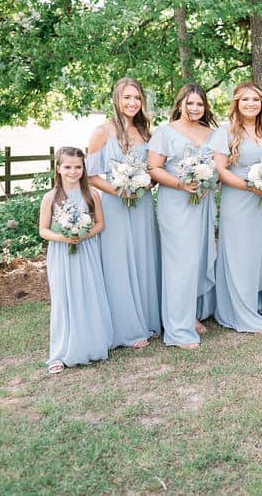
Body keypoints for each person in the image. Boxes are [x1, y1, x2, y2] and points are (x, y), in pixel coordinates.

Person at [86, 78, 161, 349]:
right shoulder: (101, 132)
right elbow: (91, 175)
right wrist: (121, 191)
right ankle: (127, 329)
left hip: (142, 204)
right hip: (115, 204)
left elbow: (153, 170)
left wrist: (144, 185)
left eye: (137, 98)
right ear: (116, 100)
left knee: (143, 257)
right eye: (127, 97)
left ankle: (147, 320)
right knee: (119, 262)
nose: (132, 103)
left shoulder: (146, 133)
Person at [147, 84, 218, 349]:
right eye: (190, 103)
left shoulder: (212, 133)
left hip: (202, 202)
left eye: (200, 104)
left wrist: (210, 179)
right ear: (180, 104)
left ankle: (191, 315)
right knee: (181, 263)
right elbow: (153, 168)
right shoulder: (165, 132)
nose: (195, 108)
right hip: (176, 203)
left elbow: (219, 167)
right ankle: (177, 329)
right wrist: (181, 183)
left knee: (197, 259)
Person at [213, 82, 262, 334]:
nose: (251, 104)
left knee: (257, 253)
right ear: (237, 104)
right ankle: (242, 313)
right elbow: (221, 170)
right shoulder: (225, 131)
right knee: (239, 255)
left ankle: (254, 303)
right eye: (245, 100)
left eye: (255, 100)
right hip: (238, 200)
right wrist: (249, 187)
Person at [39, 147, 112, 373]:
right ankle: (60, 353)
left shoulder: (91, 194)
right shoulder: (50, 197)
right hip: (61, 253)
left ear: (83, 168)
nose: (73, 171)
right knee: (64, 298)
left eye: (78, 167)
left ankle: (92, 345)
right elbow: (43, 230)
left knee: (88, 294)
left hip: (86, 250)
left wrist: (82, 234)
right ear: (58, 168)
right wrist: (65, 237)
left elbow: (100, 224)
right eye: (68, 167)